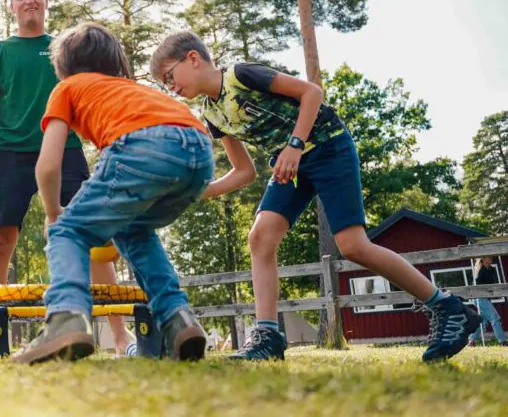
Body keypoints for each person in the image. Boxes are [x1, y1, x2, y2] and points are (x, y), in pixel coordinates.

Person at [150, 30, 480, 363]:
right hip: (291, 165)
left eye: (169, 76)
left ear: (192, 58)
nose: (171, 87)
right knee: (260, 238)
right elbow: (243, 171)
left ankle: (447, 307)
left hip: (327, 146)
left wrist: (294, 145)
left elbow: (311, 93)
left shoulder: (241, 75)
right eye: (165, 84)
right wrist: (198, 192)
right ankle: (267, 336)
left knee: (352, 246)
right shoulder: (212, 113)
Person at [12, 23, 213, 365]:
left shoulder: (69, 88)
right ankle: (178, 319)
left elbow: (47, 165)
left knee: (67, 231)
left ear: (63, 68)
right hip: (199, 153)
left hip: (145, 146)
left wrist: (53, 214)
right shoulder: (129, 89)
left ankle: (66, 318)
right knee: (132, 229)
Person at [0, 0, 133, 355]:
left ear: (45, 2)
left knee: (90, 237)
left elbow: (91, 94)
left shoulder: (64, 49)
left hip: (65, 148)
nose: (29, 0)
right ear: (11, 5)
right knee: (0, 238)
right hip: (10, 151)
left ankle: (121, 337)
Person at [469, 257, 506, 346]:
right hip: (479, 297)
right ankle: (503, 341)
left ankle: (471, 341)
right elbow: (477, 285)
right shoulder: (480, 270)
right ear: (483, 259)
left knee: (484, 321)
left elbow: (493, 283)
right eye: (488, 257)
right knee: (495, 318)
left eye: (490, 257)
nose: (490, 258)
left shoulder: (492, 269)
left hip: (486, 298)